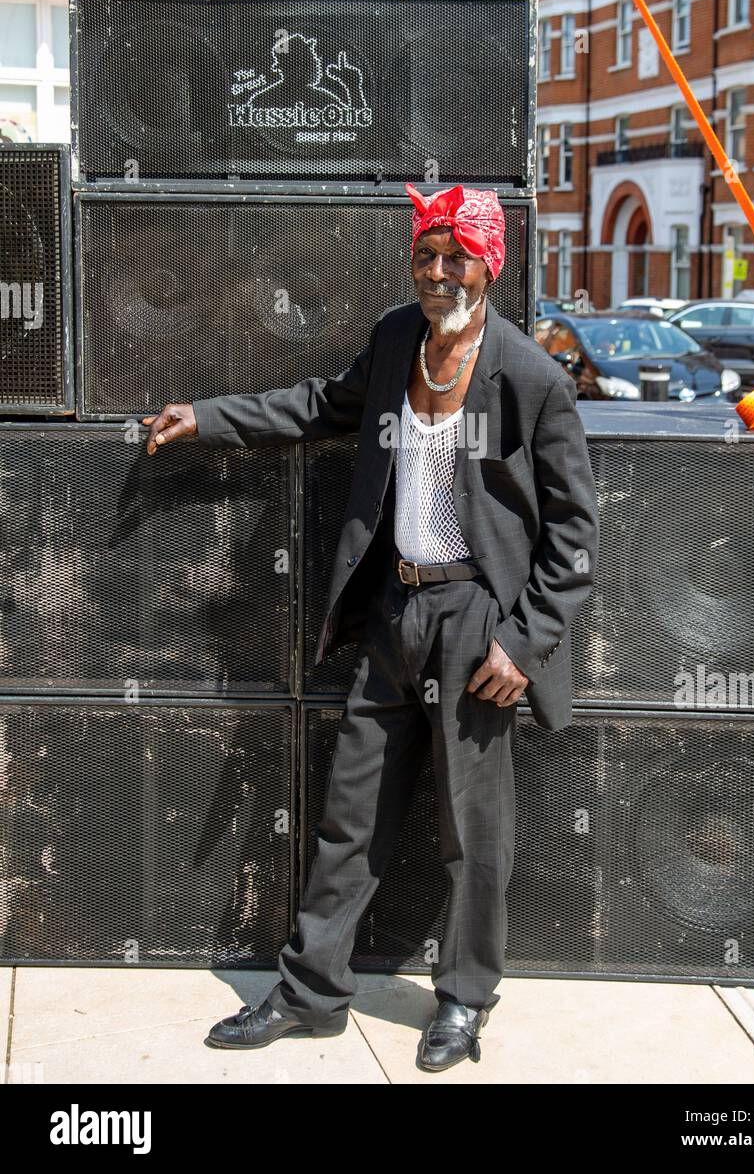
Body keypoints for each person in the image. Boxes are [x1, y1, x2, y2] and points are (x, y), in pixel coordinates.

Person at [143, 181, 600, 1072]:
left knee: (473, 831)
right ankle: (312, 995)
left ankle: (464, 1002)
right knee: (350, 815)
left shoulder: (534, 379)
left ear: (488, 263)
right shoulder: (397, 339)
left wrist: (526, 637)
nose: (436, 273)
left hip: (477, 622)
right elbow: (319, 405)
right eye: (424, 255)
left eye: (453, 256)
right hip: (394, 610)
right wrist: (207, 418)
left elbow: (575, 532)